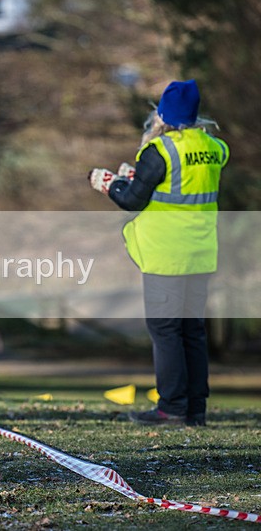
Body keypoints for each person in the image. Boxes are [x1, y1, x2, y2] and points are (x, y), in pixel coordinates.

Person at [88, 79, 228, 426]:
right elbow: (178, 184)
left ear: (162, 114)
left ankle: (171, 407)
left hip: (166, 254)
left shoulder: (159, 150)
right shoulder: (213, 147)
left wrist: (109, 184)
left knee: (166, 331)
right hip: (201, 252)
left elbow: (132, 199)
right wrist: (137, 177)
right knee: (192, 331)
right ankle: (195, 408)